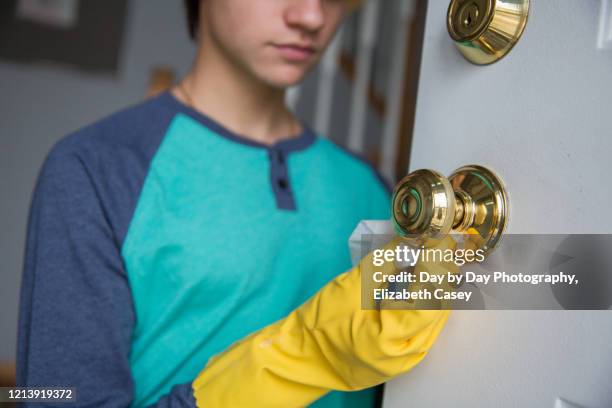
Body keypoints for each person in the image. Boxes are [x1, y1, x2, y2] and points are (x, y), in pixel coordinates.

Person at [17, 0, 449, 406]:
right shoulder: (95, 169)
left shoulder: (373, 191)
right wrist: (307, 355)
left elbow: (503, 293)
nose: (312, 16)